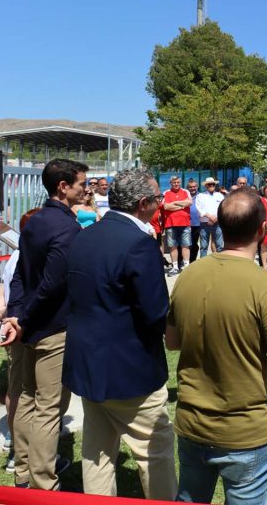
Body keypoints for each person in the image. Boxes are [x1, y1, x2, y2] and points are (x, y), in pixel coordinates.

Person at [166, 188, 267, 504]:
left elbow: (172, 341)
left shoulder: (189, 274)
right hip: (246, 431)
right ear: (262, 229)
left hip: (193, 423)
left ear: (221, 226)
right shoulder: (265, 283)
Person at [62, 168, 176, 499]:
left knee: (96, 452)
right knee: (154, 449)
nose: (160, 203)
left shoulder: (85, 235)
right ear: (143, 203)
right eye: (157, 198)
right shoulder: (139, 244)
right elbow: (155, 312)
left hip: (88, 363)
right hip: (129, 370)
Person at [0, 158, 86, 490]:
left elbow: (20, 278)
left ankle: (23, 472)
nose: (86, 190)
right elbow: (52, 284)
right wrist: (21, 317)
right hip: (52, 329)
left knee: (26, 397)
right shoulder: (67, 228)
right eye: (81, 184)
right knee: (49, 407)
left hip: (29, 326)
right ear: (63, 186)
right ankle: (42, 483)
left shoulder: (35, 222)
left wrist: (18, 316)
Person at [0, 209, 40, 475]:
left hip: (12, 328)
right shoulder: (25, 258)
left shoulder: (18, 255)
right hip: (20, 331)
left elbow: (2, 290)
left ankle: (16, 441)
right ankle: (20, 452)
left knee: (18, 388)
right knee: (22, 391)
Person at [162, 176, 193, 275]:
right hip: (170, 224)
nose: (176, 184)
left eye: (178, 182)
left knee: (185, 245)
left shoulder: (185, 192)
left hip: (185, 223)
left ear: (180, 182)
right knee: (173, 246)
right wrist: (183, 206)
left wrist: (175, 203)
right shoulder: (166, 193)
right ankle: (175, 267)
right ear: (170, 183)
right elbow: (166, 206)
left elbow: (190, 202)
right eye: (174, 182)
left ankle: (187, 267)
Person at [195, 177, 224, 256]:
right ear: (206, 186)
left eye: (213, 184)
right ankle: (203, 262)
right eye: (209, 184)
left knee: (220, 245)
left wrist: (215, 218)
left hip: (217, 223)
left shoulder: (220, 195)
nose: (211, 185)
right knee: (204, 246)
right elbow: (199, 209)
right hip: (205, 223)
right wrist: (211, 217)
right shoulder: (200, 196)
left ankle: (220, 262)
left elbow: (223, 208)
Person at [186, 178, 201, 264]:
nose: (192, 188)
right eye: (190, 187)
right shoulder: (185, 196)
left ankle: (192, 261)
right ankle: (184, 261)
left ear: (197, 187)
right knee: (186, 244)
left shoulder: (201, 196)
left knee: (194, 243)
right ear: (188, 188)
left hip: (197, 224)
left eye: (194, 186)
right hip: (186, 224)